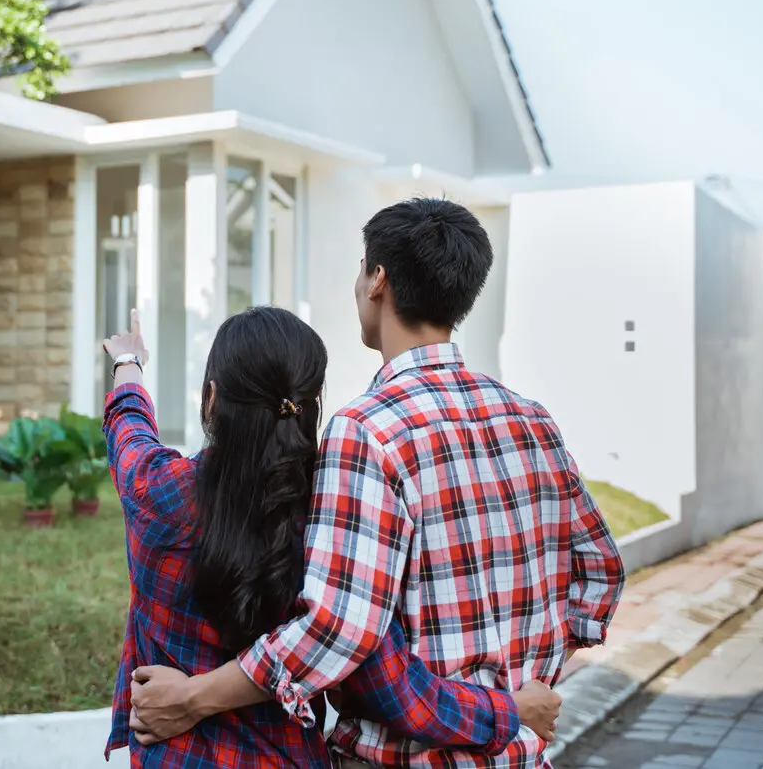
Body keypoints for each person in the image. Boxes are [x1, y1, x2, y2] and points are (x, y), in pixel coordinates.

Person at [127, 199, 626, 768]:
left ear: (378, 280)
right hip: (519, 753)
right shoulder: (531, 419)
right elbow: (601, 573)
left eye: (361, 267)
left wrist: (193, 697)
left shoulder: (368, 430)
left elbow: (335, 630)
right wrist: (524, 679)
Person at [101, 305, 563, 767]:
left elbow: (129, 429)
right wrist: (509, 710)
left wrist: (128, 363)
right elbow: (395, 691)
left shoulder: (155, 490)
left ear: (211, 398)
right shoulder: (332, 525)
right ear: (307, 409)